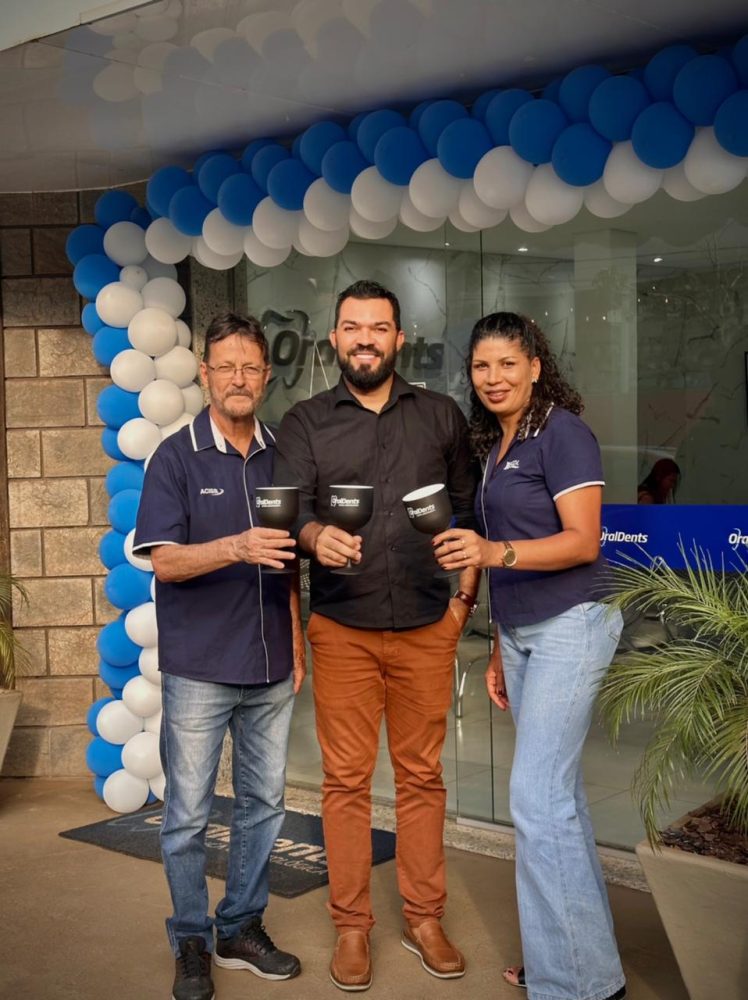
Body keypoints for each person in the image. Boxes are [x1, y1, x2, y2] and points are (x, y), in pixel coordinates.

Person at [274, 279, 480, 992]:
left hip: (427, 625)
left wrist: (462, 606)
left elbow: (471, 513)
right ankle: (352, 926)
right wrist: (313, 536)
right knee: (346, 782)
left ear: (399, 338)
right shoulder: (305, 422)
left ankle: (425, 919)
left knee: (422, 778)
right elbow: (289, 510)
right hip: (343, 629)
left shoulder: (442, 416)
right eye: (353, 327)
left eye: (379, 327)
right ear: (335, 338)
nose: (366, 339)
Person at [434, 312, 626, 1000]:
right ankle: (574, 965)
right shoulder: (497, 444)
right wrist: (497, 647)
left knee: (537, 801)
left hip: (573, 622)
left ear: (536, 366)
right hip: (521, 633)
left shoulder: (563, 434)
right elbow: (508, 561)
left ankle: (572, 984)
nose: (493, 378)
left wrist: (493, 551)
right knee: (559, 801)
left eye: (507, 364)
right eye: (481, 366)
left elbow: (582, 541)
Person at [133, 312, 305, 1000]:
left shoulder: (283, 453)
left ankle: (239, 926)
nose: (239, 378)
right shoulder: (174, 457)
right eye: (226, 366)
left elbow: (292, 562)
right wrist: (235, 546)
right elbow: (164, 562)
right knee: (187, 817)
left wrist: (296, 640)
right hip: (200, 667)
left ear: (266, 377)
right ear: (205, 374)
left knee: (264, 805)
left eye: (250, 367)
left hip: (270, 664)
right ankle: (191, 939)